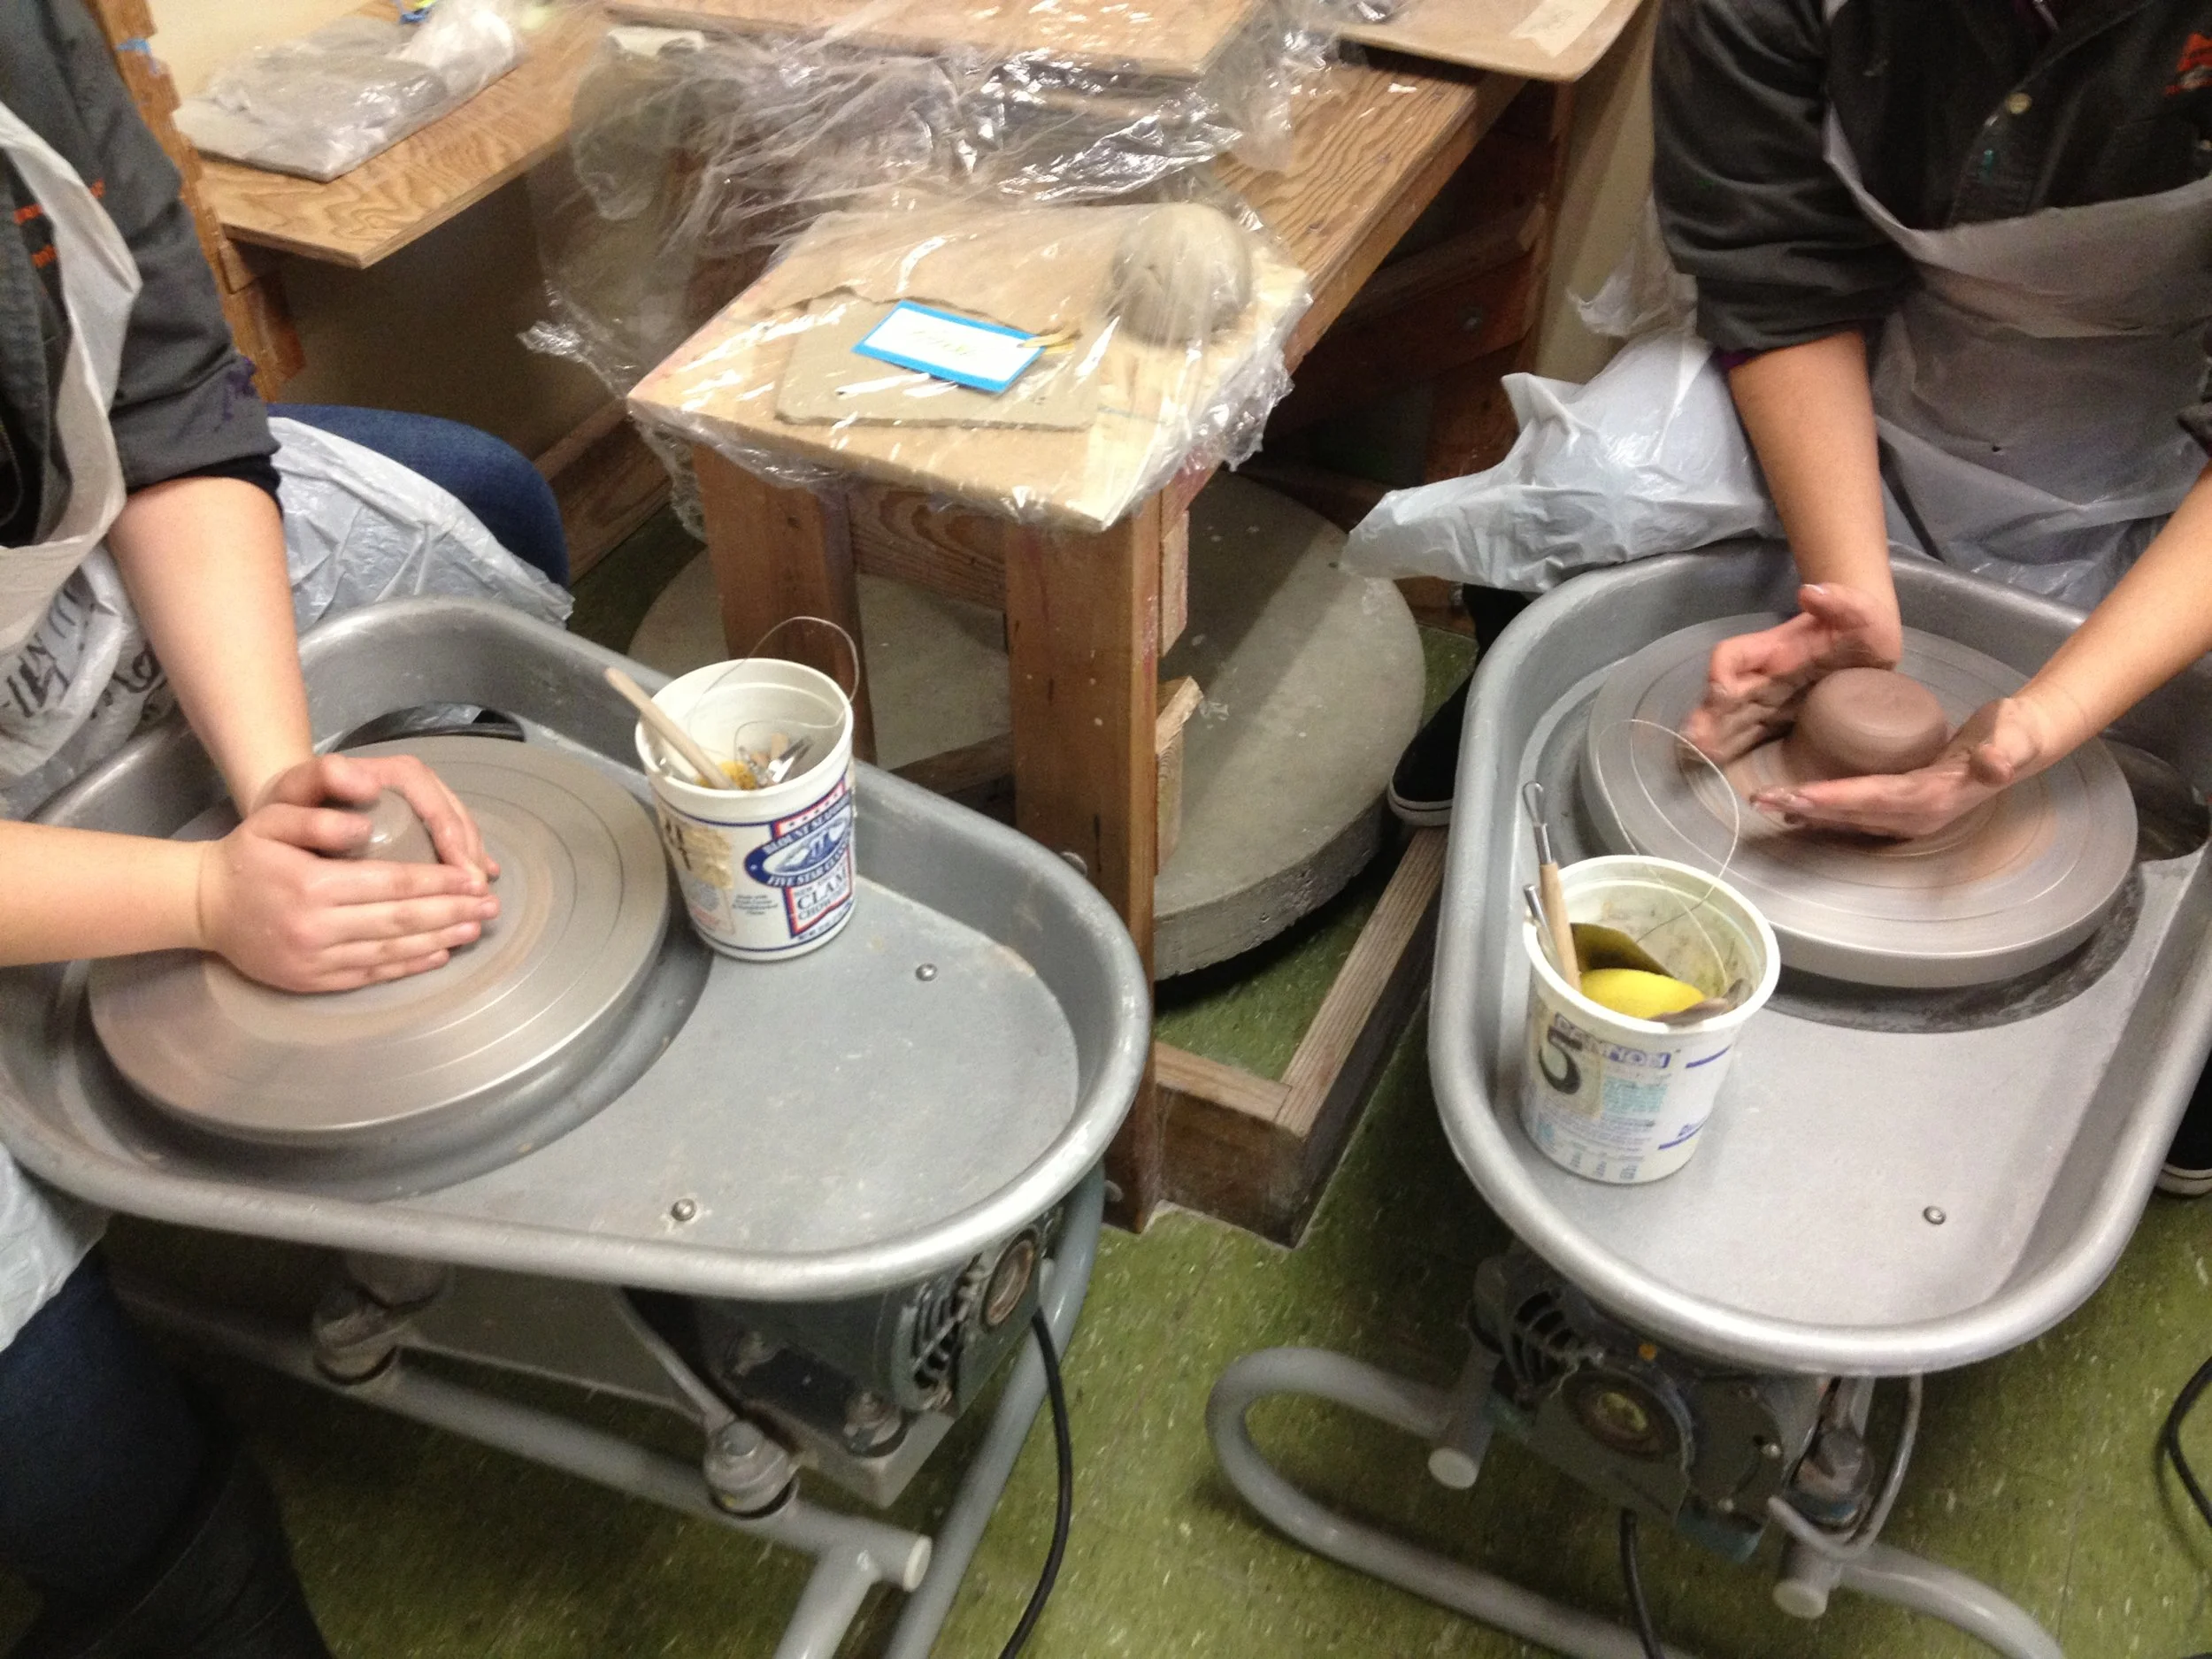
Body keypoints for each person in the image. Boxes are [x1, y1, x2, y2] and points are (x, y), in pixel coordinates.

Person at [1381, 0, 2212, 1185]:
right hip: (1863, 338)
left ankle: (2174, 1045)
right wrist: (1849, 588)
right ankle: (1530, 724)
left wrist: (2037, 725)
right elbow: (1776, 269)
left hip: (2146, 418)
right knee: (1585, 493)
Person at [0, 1, 569, 1650]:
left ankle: (416, 1193)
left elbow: (169, 383)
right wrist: (197, 897)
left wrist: (274, 782)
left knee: (484, 510)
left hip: (47, 578)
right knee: (62, 1436)